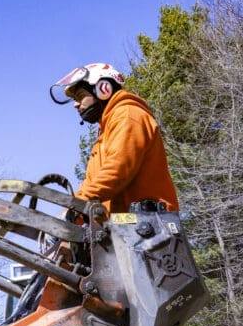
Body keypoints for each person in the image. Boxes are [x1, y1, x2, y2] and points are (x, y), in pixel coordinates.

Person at [50, 63, 178, 213]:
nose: (76, 105)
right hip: (121, 226)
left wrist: (77, 207)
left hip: (150, 224)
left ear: (103, 89)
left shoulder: (129, 115)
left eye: (80, 96)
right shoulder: (104, 136)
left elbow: (118, 168)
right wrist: (70, 215)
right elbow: (91, 183)